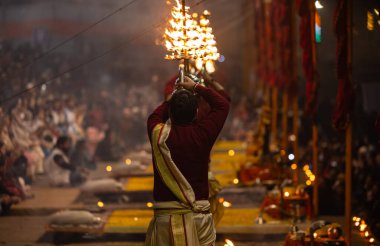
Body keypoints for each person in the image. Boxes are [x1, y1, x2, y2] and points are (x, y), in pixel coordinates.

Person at [145, 76, 230, 246]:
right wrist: (197, 86)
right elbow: (223, 104)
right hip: (198, 219)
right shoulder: (203, 133)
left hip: (165, 221)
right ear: (196, 112)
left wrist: (171, 98)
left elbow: (155, 115)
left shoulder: (158, 134)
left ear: (170, 113)